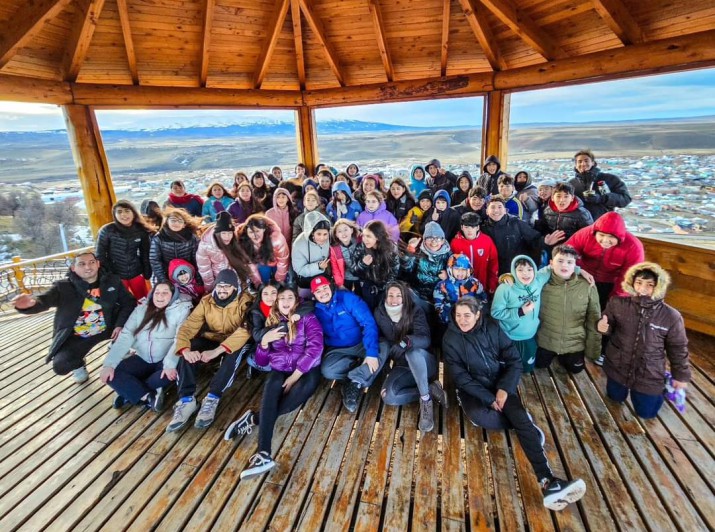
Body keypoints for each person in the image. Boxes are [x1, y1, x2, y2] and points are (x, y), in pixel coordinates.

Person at [442, 297, 586, 511]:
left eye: (467, 315)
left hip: (500, 383)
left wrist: (503, 389)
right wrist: (489, 398)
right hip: (473, 389)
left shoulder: (492, 328)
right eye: (458, 315)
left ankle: (548, 481)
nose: (462, 320)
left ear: (478, 314)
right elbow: (461, 377)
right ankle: (525, 426)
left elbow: (513, 360)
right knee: (481, 417)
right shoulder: (450, 338)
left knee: (517, 415)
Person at [225, 285, 324, 478]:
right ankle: (263, 453)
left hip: (306, 370)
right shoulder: (271, 324)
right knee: (271, 388)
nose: (286, 301)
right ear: (277, 303)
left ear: (296, 301)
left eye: (290, 298)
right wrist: (263, 342)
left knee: (292, 398)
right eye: (282, 298)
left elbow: (316, 347)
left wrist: (295, 376)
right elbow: (262, 362)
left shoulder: (307, 318)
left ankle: (253, 418)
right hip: (279, 369)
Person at [12, 252, 135, 382]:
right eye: (81, 264)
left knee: (137, 320)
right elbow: (44, 301)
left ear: (98, 264)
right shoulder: (63, 287)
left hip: (109, 326)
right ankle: (78, 364)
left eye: (91, 262)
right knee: (61, 365)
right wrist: (29, 305)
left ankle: (118, 345)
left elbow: (129, 302)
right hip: (78, 335)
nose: (88, 267)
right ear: (73, 268)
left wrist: (120, 325)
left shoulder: (112, 281)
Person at [598, 262, 690, 419]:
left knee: (647, 413)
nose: (643, 289)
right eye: (639, 283)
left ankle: (663, 390)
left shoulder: (671, 316)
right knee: (614, 398)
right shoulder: (617, 303)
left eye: (650, 285)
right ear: (631, 283)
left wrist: (680, 376)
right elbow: (608, 326)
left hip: (649, 374)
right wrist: (602, 327)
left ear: (659, 287)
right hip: (617, 366)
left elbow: (678, 347)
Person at [168, 269, 253, 431]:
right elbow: (188, 326)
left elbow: (244, 331)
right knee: (189, 347)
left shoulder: (245, 301)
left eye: (227, 286)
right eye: (220, 285)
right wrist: (185, 350)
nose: (222, 290)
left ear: (234, 288)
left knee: (233, 354)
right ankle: (187, 400)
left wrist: (216, 352)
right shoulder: (206, 302)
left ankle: (213, 397)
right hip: (212, 338)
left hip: (234, 341)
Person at [566, 211, 645, 365]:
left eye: (611, 238)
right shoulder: (585, 234)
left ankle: (603, 349)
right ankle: (576, 343)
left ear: (620, 238)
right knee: (579, 311)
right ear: (595, 232)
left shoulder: (633, 246)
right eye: (602, 235)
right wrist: (577, 270)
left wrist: (615, 299)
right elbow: (567, 252)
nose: (605, 241)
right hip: (585, 278)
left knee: (607, 316)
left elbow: (630, 276)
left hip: (613, 283)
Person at [100, 282, 192, 410]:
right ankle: (148, 396)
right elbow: (126, 335)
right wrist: (109, 364)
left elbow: (180, 339)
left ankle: (130, 391)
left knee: (168, 376)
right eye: (157, 292)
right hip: (142, 357)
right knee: (112, 374)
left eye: (165, 292)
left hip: (164, 361)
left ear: (173, 296)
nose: (160, 296)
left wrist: (170, 365)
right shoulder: (141, 309)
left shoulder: (181, 310)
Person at [376, 282, 446, 432]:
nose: (394, 300)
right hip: (403, 366)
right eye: (391, 296)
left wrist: (406, 341)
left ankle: (425, 401)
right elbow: (379, 339)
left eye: (398, 296)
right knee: (388, 396)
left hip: (424, 361)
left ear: (404, 297)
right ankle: (430, 390)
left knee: (411, 351)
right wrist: (384, 360)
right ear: (386, 297)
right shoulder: (380, 313)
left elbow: (425, 339)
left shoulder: (415, 310)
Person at [311, 276, 384, 413]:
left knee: (383, 348)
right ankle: (359, 373)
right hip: (338, 349)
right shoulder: (315, 310)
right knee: (328, 370)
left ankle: (355, 382)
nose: (323, 292)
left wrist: (372, 353)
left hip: (360, 343)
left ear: (331, 287)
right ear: (313, 295)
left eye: (325, 288)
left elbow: (368, 323)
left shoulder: (347, 298)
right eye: (318, 291)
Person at [536, 245, 601, 374]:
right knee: (539, 365)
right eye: (560, 261)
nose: (564, 265)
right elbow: (524, 280)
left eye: (570, 262)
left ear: (575, 265)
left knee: (576, 369)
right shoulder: (542, 282)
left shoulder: (587, 285)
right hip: (546, 340)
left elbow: (594, 319)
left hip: (574, 343)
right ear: (551, 263)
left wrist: (593, 352)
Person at [481, 197, 563, 275]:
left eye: (499, 207)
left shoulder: (516, 223)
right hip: (493, 271)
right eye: (492, 207)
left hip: (516, 269)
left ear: (505, 210)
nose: (496, 210)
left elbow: (534, 238)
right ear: (487, 211)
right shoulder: (482, 228)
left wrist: (545, 242)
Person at [96, 200, 153, 300]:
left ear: (133, 213)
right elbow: (100, 254)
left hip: (136, 271)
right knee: (122, 302)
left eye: (127, 211)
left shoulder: (141, 230)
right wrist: (108, 273)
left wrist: (147, 272)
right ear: (115, 214)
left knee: (144, 299)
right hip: (116, 274)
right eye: (119, 212)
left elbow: (145, 253)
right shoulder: (107, 230)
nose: (124, 215)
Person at [568, 149, 631, 221]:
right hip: (581, 226)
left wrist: (602, 198)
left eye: (586, 161)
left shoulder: (609, 179)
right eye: (579, 161)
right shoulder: (571, 184)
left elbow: (626, 199)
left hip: (604, 224)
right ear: (576, 165)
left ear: (593, 163)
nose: (583, 164)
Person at [196, 211, 252, 291]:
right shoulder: (206, 246)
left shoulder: (235, 240)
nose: (227, 237)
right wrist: (211, 289)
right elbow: (205, 270)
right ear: (218, 233)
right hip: (221, 283)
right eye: (224, 233)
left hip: (238, 277)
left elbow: (245, 260)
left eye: (230, 233)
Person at [352, 220, 401, 310]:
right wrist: (363, 264)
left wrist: (384, 287)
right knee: (369, 309)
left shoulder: (390, 248)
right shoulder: (361, 248)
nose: (364, 239)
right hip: (368, 286)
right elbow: (354, 272)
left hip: (385, 286)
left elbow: (394, 271)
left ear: (378, 237)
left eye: (368, 236)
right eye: (363, 235)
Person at [401, 221, 452, 303]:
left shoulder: (449, 256)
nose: (434, 242)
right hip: (416, 295)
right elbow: (406, 269)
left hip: (437, 297)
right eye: (429, 238)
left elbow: (458, 278)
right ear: (424, 240)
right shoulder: (418, 251)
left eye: (438, 238)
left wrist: (449, 276)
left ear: (443, 241)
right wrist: (409, 251)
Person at [450, 212, 499, 295]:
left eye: (473, 227)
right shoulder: (455, 243)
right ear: (462, 227)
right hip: (462, 288)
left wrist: (492, 284)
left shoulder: (487, 241)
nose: (469, 230)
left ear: (478, 227)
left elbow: (493, 264)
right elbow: (451, 266)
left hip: (482, 286)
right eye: (466, 227)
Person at [149, 207, 202, 284]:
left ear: (184, 224)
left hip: (187, 273)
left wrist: (197, 276)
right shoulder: (159, 238)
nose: (176, 223)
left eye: (180, 221)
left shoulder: (191, 237)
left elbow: (196, 258)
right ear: (167, 221)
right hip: (166, 273)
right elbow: (155, 260)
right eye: (173, 220)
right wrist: (163, 279)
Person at [237, 214, 290, 287]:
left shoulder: (276, 239)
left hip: (277, 261)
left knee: (280, 281)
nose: (255, 236)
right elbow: (250, 265)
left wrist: (280, 280)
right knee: (263, 277)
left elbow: (283, 260)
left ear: (264, 229)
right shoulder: (244, 242)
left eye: (257, 231)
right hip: (260, 262)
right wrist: (258, 284)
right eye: (251, 232)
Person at [433, 253, 486, 324]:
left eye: (463, 270)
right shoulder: (442, 285)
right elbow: (438, 306)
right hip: (450, 322)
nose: (460, 272)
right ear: (450, 269)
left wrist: (476, 317)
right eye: (456, 269)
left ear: (468, 270)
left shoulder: (474, 283)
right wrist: (448, 318)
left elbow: (482, 300)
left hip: (471, 321)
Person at [291, 210, 332, 290]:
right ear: (312, 232)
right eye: (319, 234)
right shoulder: (299, 244)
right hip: (306, 281)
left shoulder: (330, 236)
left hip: (324, 277)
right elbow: (299, 269)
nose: (322, 238)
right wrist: (318, 267)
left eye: (325, 234)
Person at [330, 218, 361, 291]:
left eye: (346, 229)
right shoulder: (335, 249)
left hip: (360, 278)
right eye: (339, 231)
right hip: (346, 279)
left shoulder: (359, 243)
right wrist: (340, 284)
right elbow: (335, 268)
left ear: (351, 230)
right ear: (336, 235)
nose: (343, 233)